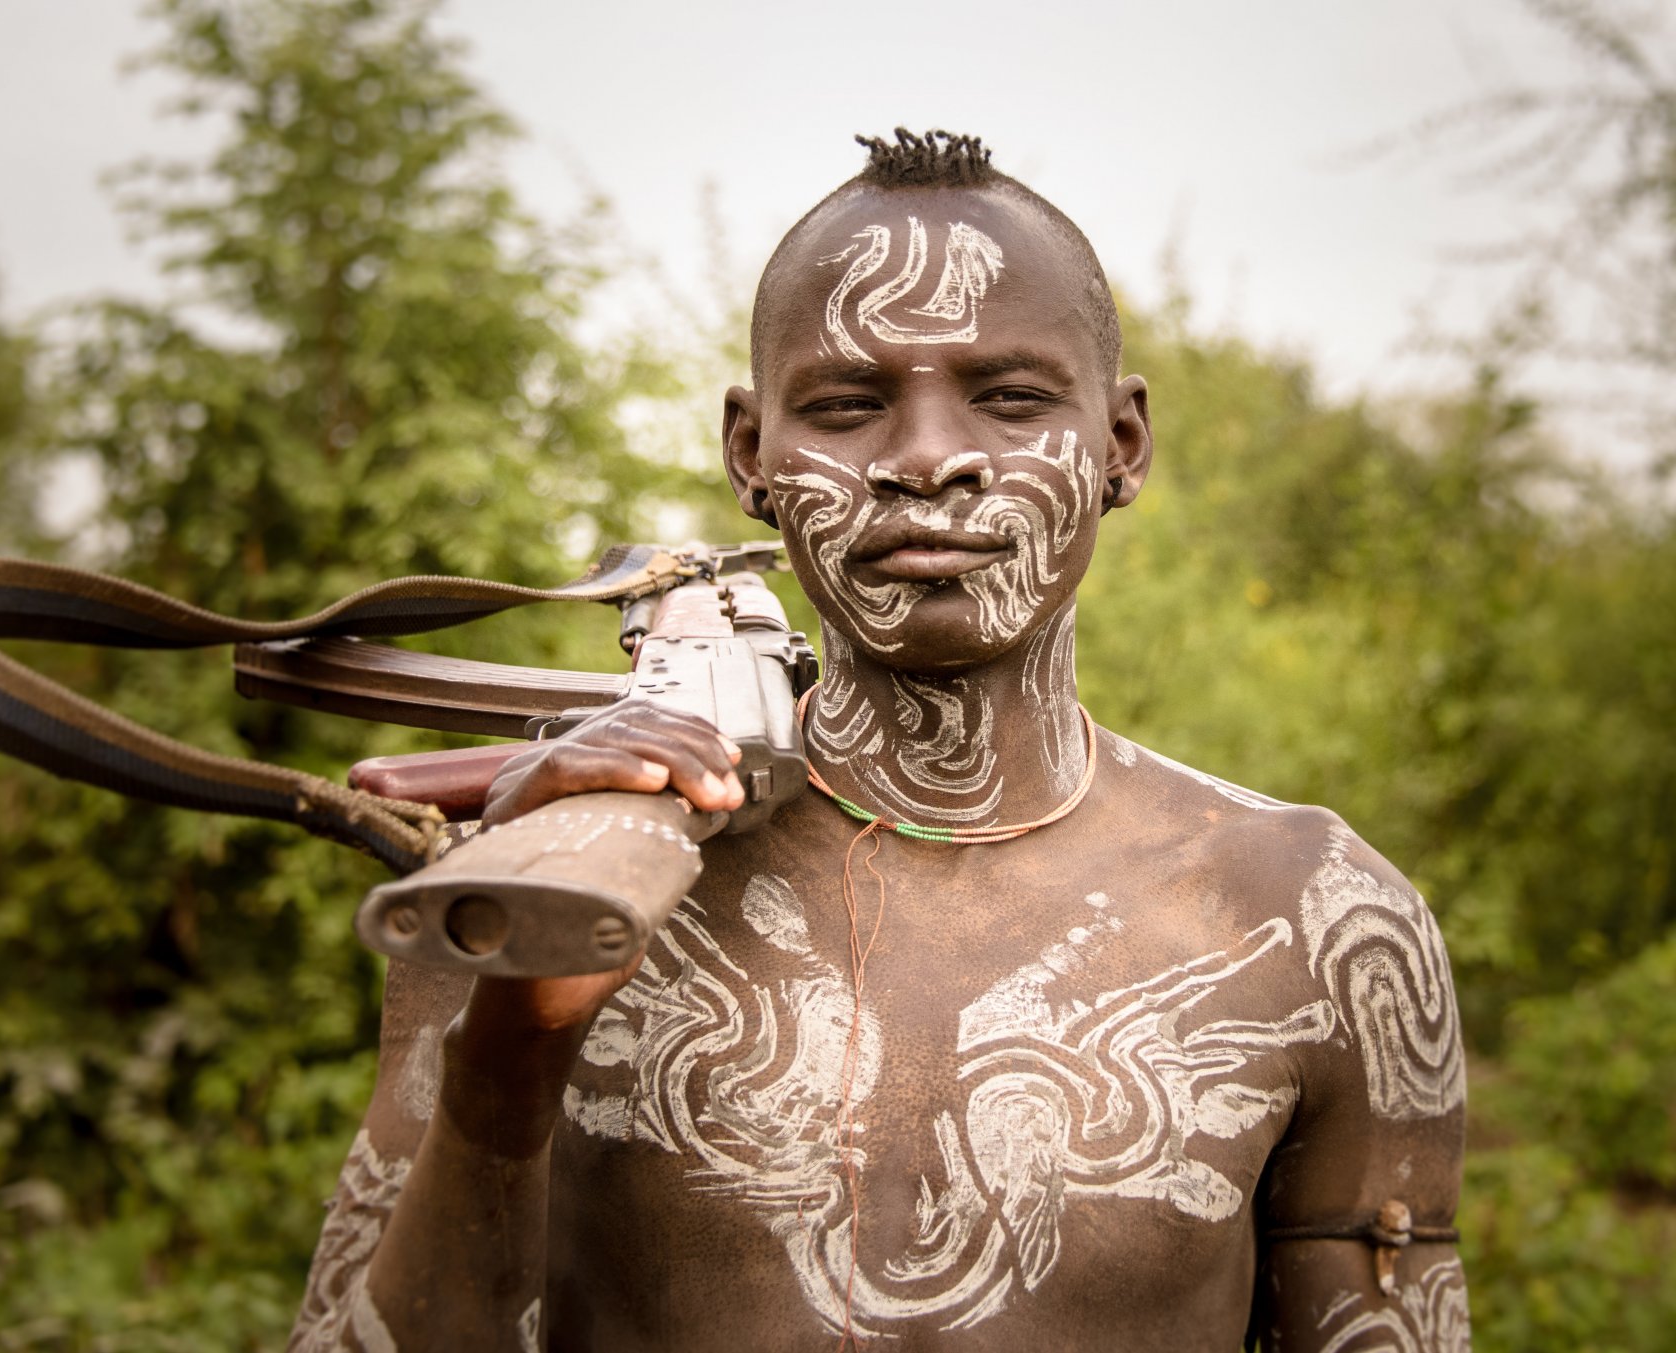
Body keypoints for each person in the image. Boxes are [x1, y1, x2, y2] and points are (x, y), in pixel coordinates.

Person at [289, 128, 1469, 1352]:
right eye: (848, 406)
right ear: (752, 453)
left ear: (1120, 443)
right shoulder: (537, 878)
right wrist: (508, 1053)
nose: (924, 461)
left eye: (1011, 399)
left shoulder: (1320, 926)